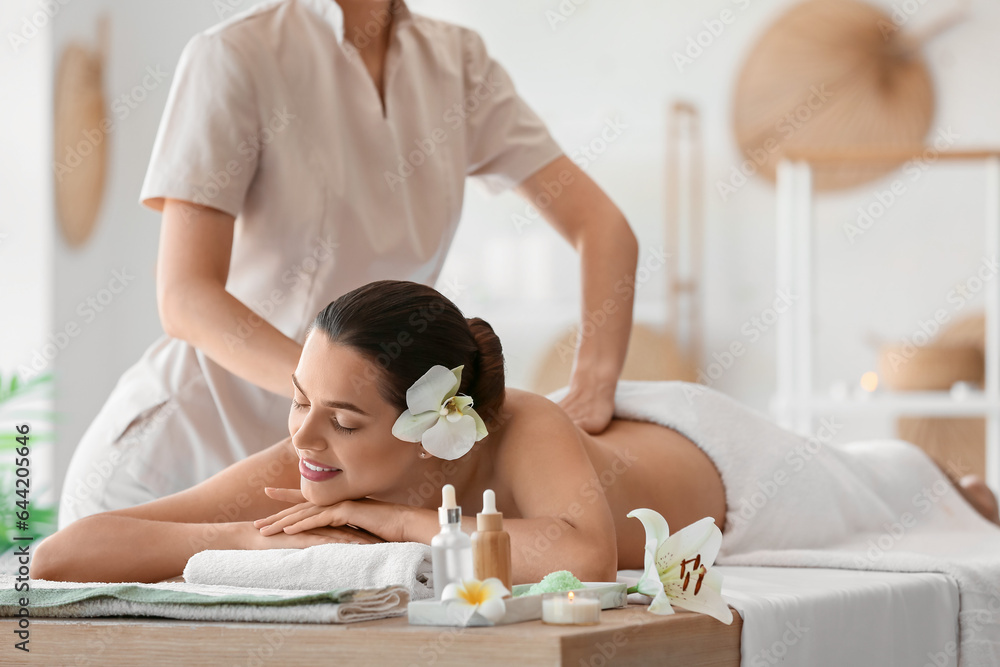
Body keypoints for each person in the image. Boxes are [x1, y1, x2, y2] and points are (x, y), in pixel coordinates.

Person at [57, 0, 639, 529]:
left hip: (346, 467)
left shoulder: (458, 63)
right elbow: (185, 298)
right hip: (183, 453)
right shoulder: (237, 55)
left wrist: (593, 385)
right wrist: (335, 408)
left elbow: (603, 226)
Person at [33, 280, 1000, 585]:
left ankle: (952, 483)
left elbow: (578, 550)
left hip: (731, 465)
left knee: (880, 483)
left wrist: (402, 527)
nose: (306, 437)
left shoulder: (525, 422)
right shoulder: (315, 458)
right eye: (298, 398)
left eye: (343, 414)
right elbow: (70, 553)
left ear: (427, 426)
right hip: (629, 451)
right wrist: (246, 533)